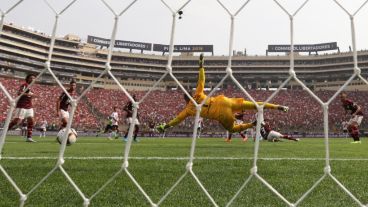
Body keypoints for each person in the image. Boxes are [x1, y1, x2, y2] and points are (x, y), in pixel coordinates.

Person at [156, 54, 289, 134]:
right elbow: (201, 80)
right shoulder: (197, 93)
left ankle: (252, 124)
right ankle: (278, 106)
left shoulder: (188, 110)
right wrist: (201, 66)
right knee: (255, 105)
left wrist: (165, 126)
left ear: (185, 100)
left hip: (220, 114)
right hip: (224, 101)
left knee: (231, 130)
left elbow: (177, 120)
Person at [8, 74, 37, 142]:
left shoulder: (31, 87)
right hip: (22, 106)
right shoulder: (25, 85)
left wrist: (33, 97)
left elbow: (29, 97)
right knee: (16, 121)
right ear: (27, 79)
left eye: (34, 78)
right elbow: (19, 93)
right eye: (31, 78)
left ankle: (29, 137)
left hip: (29, 106)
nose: (32, 79)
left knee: (31, 120)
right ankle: (4, 132)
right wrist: (30, 94)